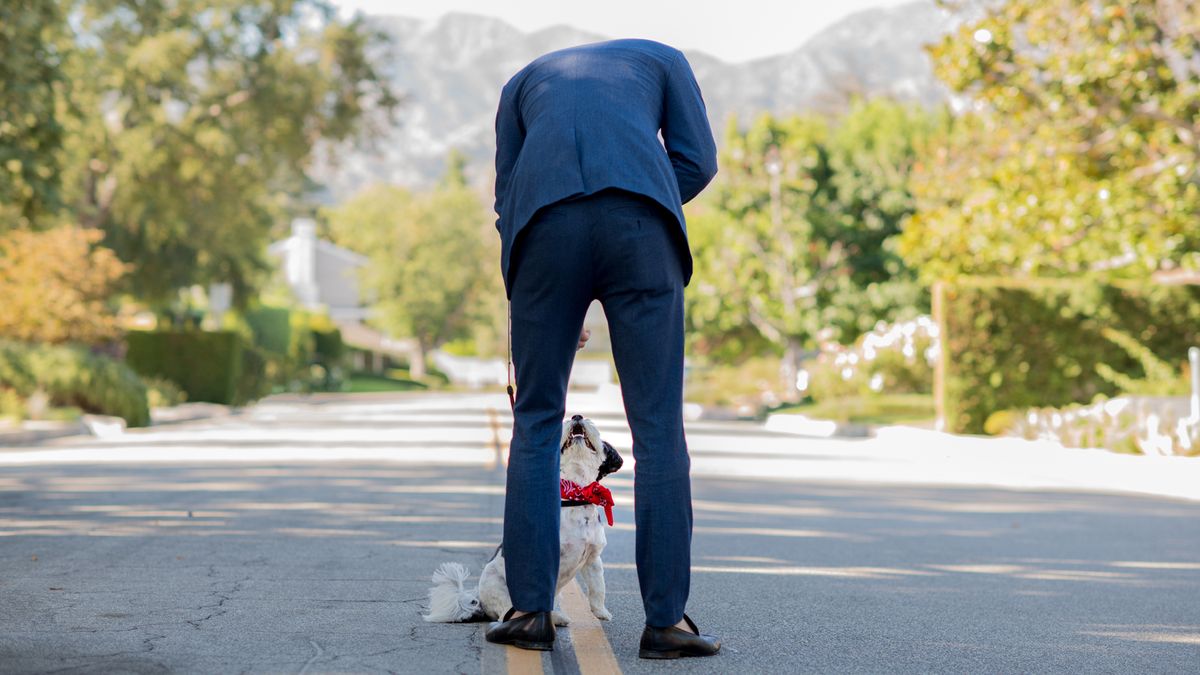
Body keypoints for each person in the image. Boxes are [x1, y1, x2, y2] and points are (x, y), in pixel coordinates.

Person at [483, 38, 721, 659]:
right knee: (659, 427)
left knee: (536, 419)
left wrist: (546, 299)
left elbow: (508, 200)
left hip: (543, 235)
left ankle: (530, 612)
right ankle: (667, 624)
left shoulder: (519, 82)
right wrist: (637, 193)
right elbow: (698, 161)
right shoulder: (664, 59)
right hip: (642, 226)